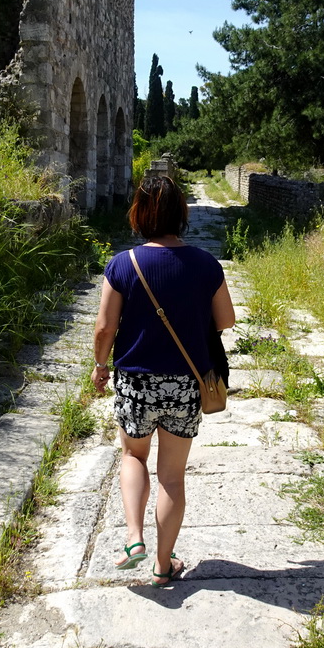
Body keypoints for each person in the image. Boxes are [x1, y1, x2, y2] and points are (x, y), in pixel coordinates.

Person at [91, 175, 235, 587]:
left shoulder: (123, 264)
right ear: (181, 213)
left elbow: (105, 328)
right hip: (186, 385)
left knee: (133, 458)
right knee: (172, 476)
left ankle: (133, 538)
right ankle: (162, 563)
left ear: (139, 212)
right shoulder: (206, 264)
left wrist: (101, 365)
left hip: (136, 383)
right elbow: (225, 320)